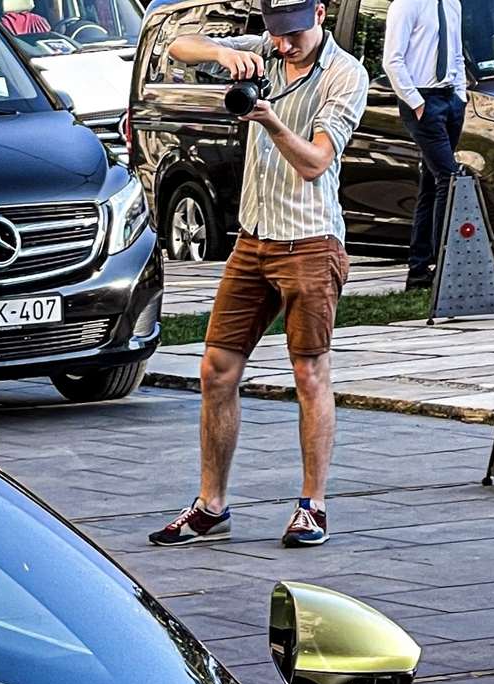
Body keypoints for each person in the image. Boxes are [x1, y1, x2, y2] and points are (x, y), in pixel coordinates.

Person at [147, 0, 367, 549]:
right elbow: (174, 46)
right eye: (277, 34)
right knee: (215, 370)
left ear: (319, 12)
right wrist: (224, 53)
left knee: (309, 373)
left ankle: (312, 507)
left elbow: (316, 162)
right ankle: (211, 506)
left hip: (311, 241)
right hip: (253, 239)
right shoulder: (265, 50)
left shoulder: (345, 74)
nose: (287, 45)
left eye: (295, 33)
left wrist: (268, 120)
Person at [382, 0, 465, 292]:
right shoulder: (406, 5)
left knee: (431, 184)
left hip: (449, 98)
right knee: (449, 177)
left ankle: (419, 271)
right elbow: (392, 60)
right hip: (422, 99)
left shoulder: (452, 4)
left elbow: (455, 53)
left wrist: (461, 96)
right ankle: (447, 265)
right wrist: (417, 103)